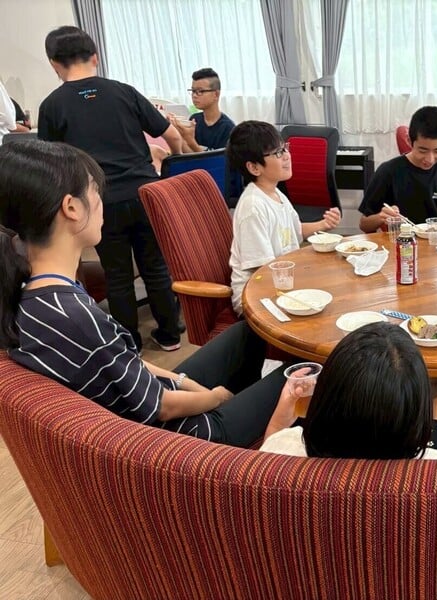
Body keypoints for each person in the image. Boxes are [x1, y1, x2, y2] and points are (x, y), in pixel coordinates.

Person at [0, 140, 284, 448]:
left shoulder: (34, 292)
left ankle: (247, 432)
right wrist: (216, 398)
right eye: (94, 189)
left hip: (146, 402)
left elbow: (123, 361)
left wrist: (186, 382)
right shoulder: (76, 316)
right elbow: (161, 407)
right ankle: (236, 450)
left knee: (249, 332)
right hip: (177, 436)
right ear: (71, 208)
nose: (101, 199)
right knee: (305, 373)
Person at [38, 25, 184, 353]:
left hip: (98, 201)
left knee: (117, 273)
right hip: (147, 194)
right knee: (155, 265)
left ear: (54, 64)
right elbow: (172, 135)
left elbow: (52, 164)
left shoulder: (52, 105)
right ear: (95, 57)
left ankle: (130, 343)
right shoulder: (124, 91)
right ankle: (170, 335)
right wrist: (170, 166)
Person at [260, 322, 437, 459]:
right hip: (410, 460)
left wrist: (279, 424)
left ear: (324, 402)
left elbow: (269, 455)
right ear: (419, 422)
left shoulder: (282, 453)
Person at [226, 120, 341, 315]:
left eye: (285, 148)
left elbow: (294, 230)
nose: (287, 156)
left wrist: (323, 224)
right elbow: (263, 269)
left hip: (281, 282)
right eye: (278, 153)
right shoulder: (253, 207)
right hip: (255, 296)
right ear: (254, 168)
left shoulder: (276, 193)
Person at [358, 106, 437, 232]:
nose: (430, 159)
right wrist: (381, 217)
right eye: (422, 150)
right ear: (409, 141)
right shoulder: (388, 171)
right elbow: (364, 224)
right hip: (403, 241)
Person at [170, 67, 235, 152]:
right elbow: (189, 154)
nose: (194, 95)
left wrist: (190, 141)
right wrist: (177, 134)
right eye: (193, 91)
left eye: (200, 91)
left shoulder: (228, 128)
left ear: (216, 94)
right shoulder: (194, 119)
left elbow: (215, 159)